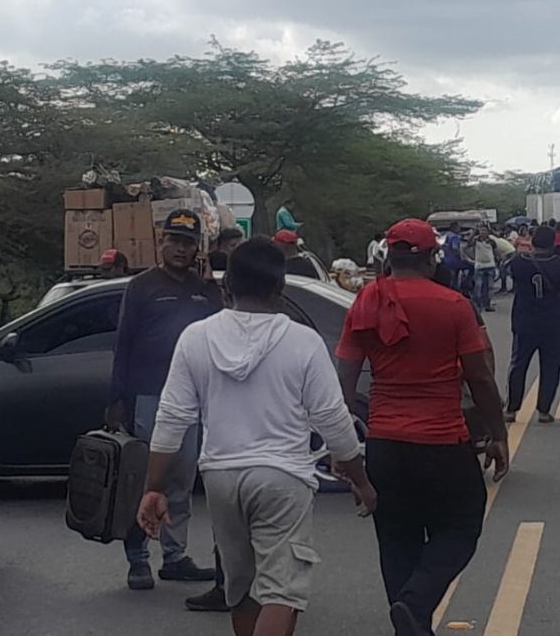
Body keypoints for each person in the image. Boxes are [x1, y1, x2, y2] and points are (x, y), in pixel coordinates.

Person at [137, 239, 375, 636]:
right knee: (283, 592)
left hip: (220, 478)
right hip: (282, 479)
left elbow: (172, 417)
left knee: (242, 590)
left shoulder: (196, 337)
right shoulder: (302, 341)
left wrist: (153, 487)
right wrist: (361, 480)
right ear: (279, 288)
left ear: (226, 285)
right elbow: (333, 419)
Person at [335, 219, 509, 636]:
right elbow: (480, 377)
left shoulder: (366, 301)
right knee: (462, 526)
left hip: (384, 443)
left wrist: (341, 445)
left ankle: (409, 623)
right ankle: (414, 605)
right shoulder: (452, 305)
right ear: (432, 258)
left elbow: (343, 381)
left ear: (388, 257)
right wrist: (497, 433)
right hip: (442, 441)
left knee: (396, 538)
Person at [107, 209, 225, 599]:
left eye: (188, 243)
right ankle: (137, 556)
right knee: (144, 479)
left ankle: (174, 557)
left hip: (191, 398)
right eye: (174, 240)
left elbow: (221, 330)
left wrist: (211, 288)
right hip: (148, 396)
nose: (180, 248)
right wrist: (117, 399)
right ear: (161, 244)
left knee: (180, 480)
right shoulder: (141, 286)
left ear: (197, 249)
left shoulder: (203, 289)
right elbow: (123, 343)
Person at [505, 226, 560, 424]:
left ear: (533, 242)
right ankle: (544, 411)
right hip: (553, 323)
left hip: (524, 322)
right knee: (551, 367)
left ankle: (512, 409)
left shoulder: (518, 262)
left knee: (518, 365)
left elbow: (508, 273)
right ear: (553, 243)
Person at [468, 225, 499, 313]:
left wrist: (498, 260)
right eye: (481, 231)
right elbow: (468, 243)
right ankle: (478, 305)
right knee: (478, 286)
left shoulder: (491, 242)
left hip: (490, 266)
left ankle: (487, 305)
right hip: (479, 266)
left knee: (489, 287)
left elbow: (496, 251)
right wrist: (474, 233)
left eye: (484, 230)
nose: (483, 232)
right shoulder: (476, 240)